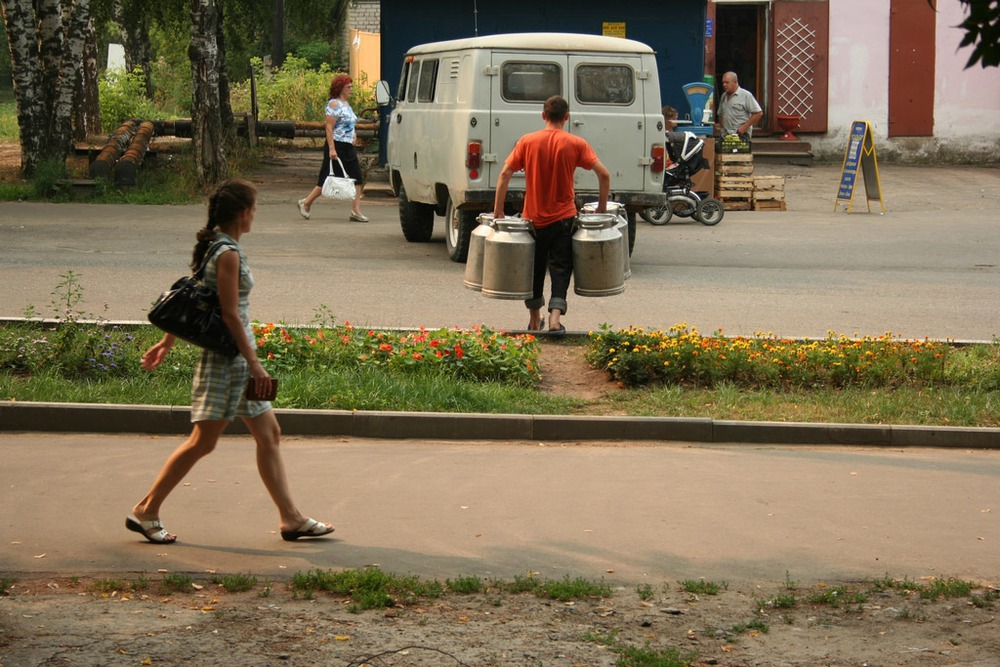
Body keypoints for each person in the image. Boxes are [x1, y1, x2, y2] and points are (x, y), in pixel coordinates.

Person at [128, 179, 334, 545]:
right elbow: (227, 314)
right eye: (254, 209)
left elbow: (195, 297)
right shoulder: (227, 253)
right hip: (230, 360)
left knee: (269, 434)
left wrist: (166, 340)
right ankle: (146, 509)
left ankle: (291, 518)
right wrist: (255, 363)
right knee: (202, 441)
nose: (256, 215)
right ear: (244, 213)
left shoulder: (218, 246)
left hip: (236, 358)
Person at [492, 95, 611, 333]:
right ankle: (555, 319)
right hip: (564, 218)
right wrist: (601, 208)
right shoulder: (576, 143)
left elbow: (504, 174)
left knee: (534, 268)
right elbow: (604, 175)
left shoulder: (527, 141)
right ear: (566, 117)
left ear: (543, 115)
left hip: (533, 219)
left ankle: (535, 319)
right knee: (561, 267)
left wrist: (498, 210)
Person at [297, 74, 368, 222]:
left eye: (351, 87)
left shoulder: (347, 104)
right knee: (327, 179)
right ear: (340, 88)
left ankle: (355, 210)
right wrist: (332, 149)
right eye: (348, 87)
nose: (351, 89)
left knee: (357, 178)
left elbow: (350, 124)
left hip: (348, 146)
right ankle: (306, 202)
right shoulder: (334, 104)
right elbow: (329, 127)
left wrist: (353, 135)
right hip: (337, 145)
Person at [716, 71, 763, 144]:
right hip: (726, 136)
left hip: (740, 135)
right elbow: (720, 114)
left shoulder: (746, 95)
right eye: (723, 83)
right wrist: (722, 129)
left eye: (727, 82)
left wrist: (744, 127)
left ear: (735, 82)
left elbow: (758, 113)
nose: (724, 85)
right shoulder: (723, 96)